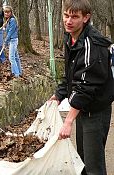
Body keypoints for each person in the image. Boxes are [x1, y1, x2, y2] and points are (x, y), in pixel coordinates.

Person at [49, 0, 114, 174]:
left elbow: (86, 86)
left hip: (96, 110)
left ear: (86, 18)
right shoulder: (71, 37)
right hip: (83, 109)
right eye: (66, 15)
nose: (68, 21)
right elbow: (71, 73)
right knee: (82, 160)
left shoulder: (93, 44)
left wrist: (68, 121)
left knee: (94, 165)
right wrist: (58, 95)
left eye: (75, 17)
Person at [3, 6, 22, 78]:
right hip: (12, 40)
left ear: (11, 13)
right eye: (5, 12)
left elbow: (10, 32)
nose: (7, 13)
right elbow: (7, 30)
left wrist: (6, 41)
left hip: (13, 40)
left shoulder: (13, 20)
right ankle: (19, 72)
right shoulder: (8, 20)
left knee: (11, 57)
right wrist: (5, 26)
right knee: (16, 57)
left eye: (8, 12)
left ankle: (16, 74)